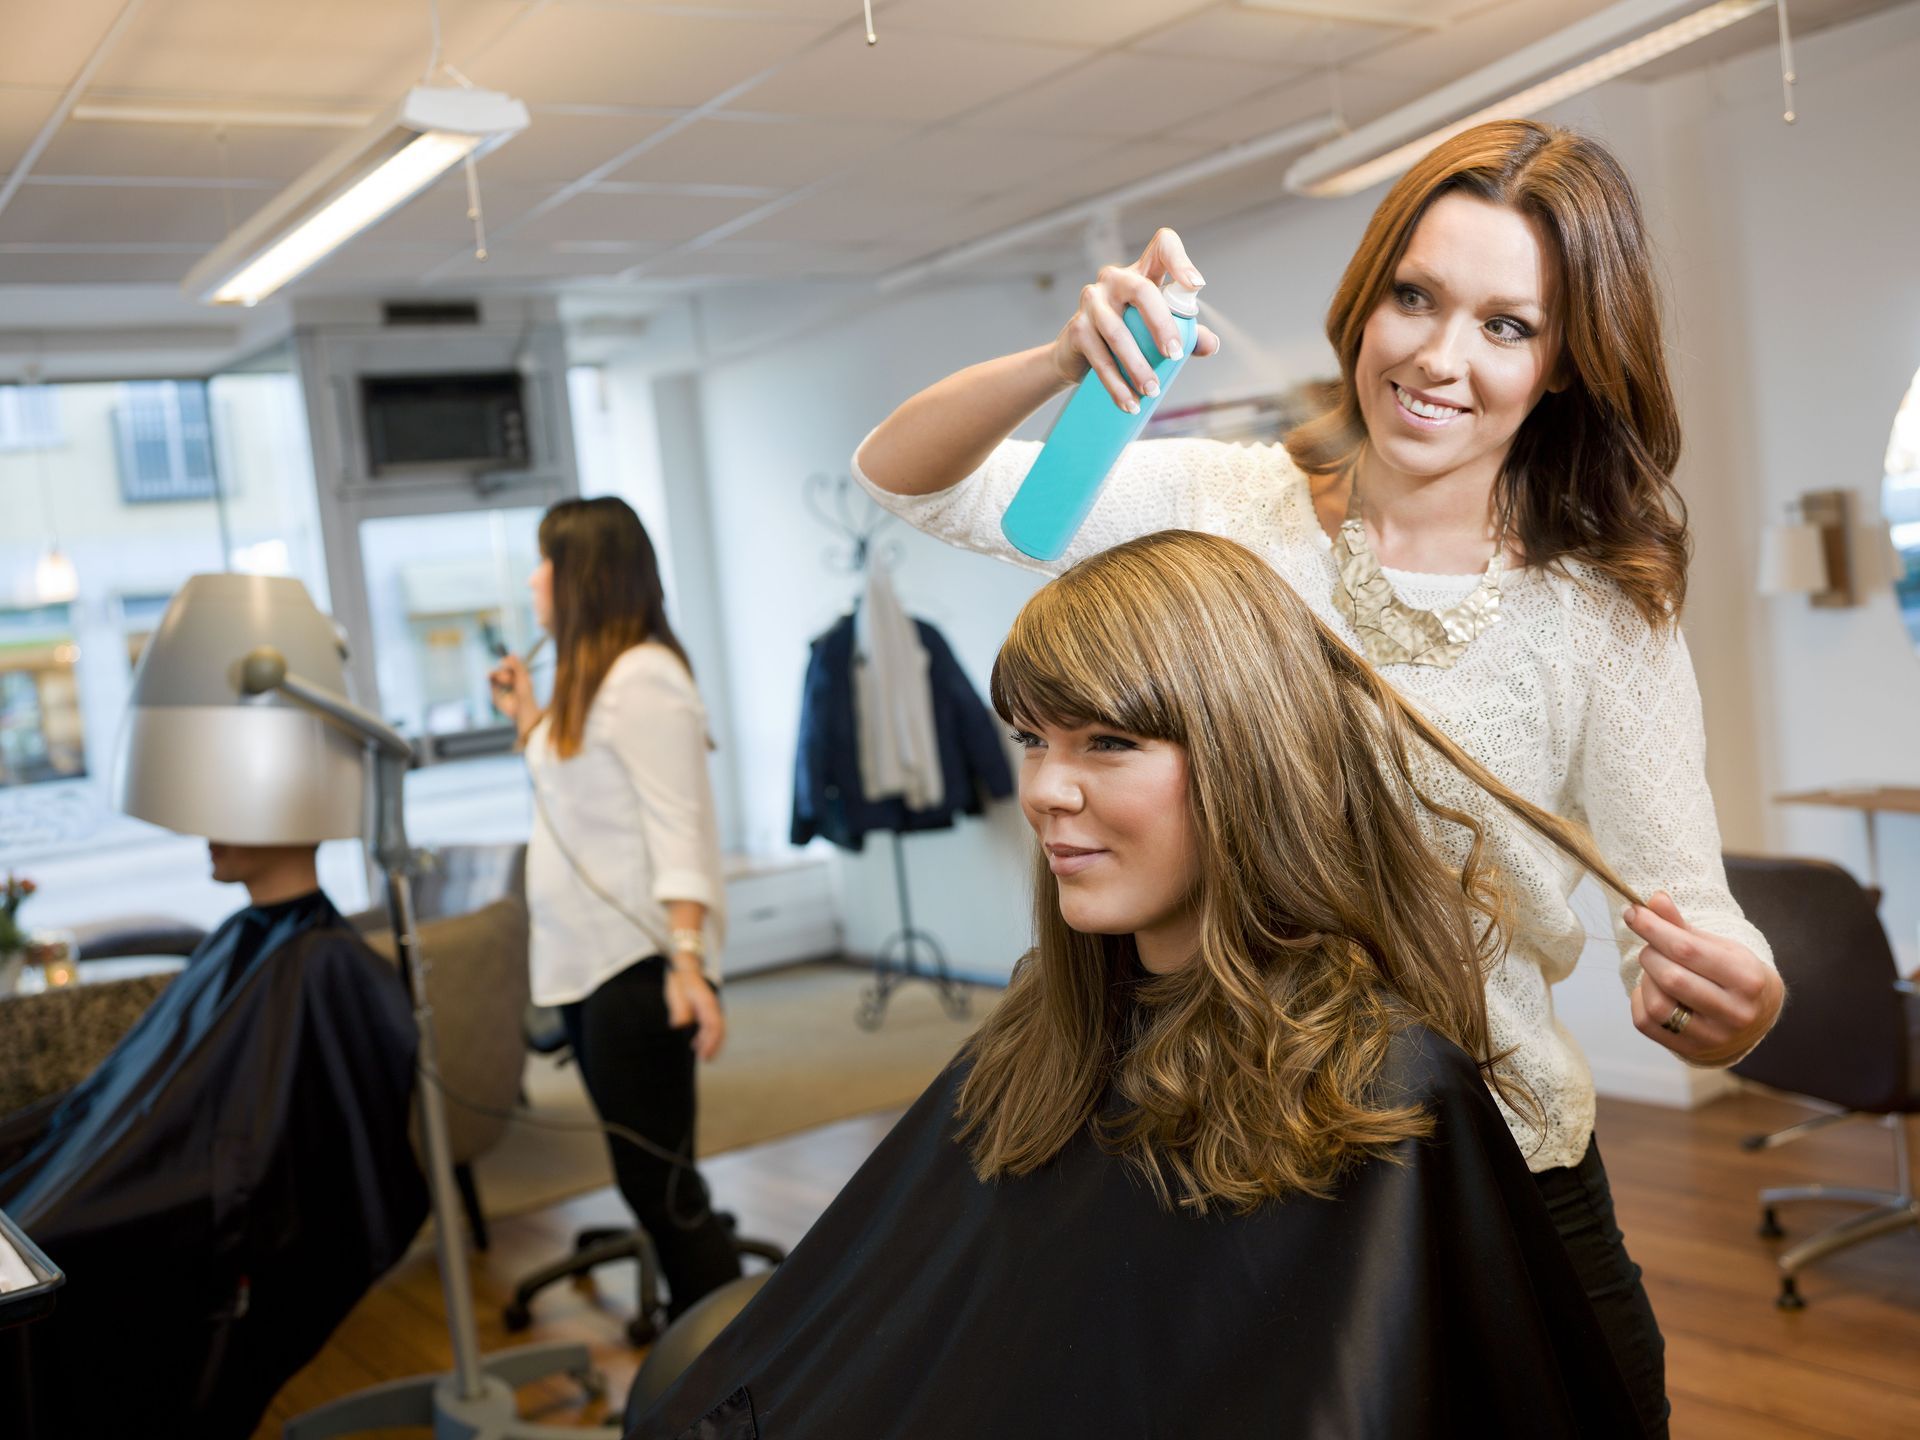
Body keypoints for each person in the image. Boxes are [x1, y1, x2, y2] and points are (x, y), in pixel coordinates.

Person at [850, 119, 1785, 1436]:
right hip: (1235, 1148)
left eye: (1507, 326)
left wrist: (1733, 999)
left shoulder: (1599, 611)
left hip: (1498, 1161)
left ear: (1568, 362)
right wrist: (1065, 361)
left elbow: (1691, 911)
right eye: (1414, 297)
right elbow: (914, 484)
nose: (1437, 358)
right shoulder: (1226, 501)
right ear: (1367, 302)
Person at [630, 531, 1646, 1439]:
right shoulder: (1051, 1029)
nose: (1043, 792)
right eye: (1032, 739)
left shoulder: (1383, 1084)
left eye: (1107, 742)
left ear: (1249, 756)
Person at [0, 841, 425, 1440]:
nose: (208, 833)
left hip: (183, 1200)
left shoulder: (325, 959)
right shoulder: (245, 935)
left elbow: (275, 1146)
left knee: (40, 1255)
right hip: (123, 1167)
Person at [490, 495, 740, 1317]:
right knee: (649, 1178)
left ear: (583, 576)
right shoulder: (594, 680)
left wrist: (688, 962)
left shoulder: (643, 679)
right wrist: (528, 717)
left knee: (661, 1186)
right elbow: (582, 794)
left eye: (545, 562)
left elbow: (679, 825)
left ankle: (737, 1373)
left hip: (637, 963)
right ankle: (707, 1351)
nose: (534, 580)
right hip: (587, 962)